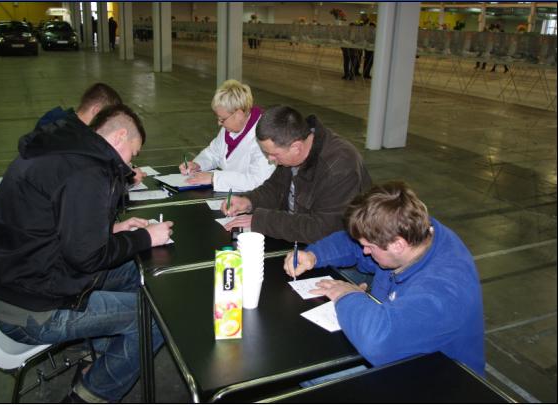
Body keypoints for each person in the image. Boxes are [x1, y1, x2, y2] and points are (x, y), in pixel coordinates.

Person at [0, 104, 174, 403]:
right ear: (120, 136)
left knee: (136, 274)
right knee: (156, 318)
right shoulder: (87, 171)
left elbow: (51, 225)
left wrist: (112, 229)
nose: (129, 163)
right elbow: (87, 258)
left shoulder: (62, 152)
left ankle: (98, 356)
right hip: (33, 309)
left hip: (15, 283)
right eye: (132, 154)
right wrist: (146, 237)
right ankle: (87, 395)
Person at [284, 181, 485, 376]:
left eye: (370, 247)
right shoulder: (410, 232)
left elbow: (379, 342)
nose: (364, 251)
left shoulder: (443, 290)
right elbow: (354, 244)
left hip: (435, 379)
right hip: (399, 345)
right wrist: (314, 255)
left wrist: (346, 295)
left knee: (308, 368)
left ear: (398, 245)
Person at [221, 105, 372, 244]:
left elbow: (323, 229)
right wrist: (248, 201)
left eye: (273, 154)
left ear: (296, 147)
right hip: (296, 241)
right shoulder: (291, 148)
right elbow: (274, 188)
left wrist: (262, 220)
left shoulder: (339, 167)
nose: (270, 159)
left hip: (338, 254)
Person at [35, 82, 147, 185]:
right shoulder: (67, 135)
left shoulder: (64, 123)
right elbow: (81, 180)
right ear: (96, 111)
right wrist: (126, 178)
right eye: (107, 117)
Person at [179, 79, 275, 192]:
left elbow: (257, 181)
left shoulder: (264, 137)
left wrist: (214, 178)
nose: (219, 123)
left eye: (222, 119)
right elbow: (213, 153)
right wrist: (198, 164)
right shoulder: (231, 127)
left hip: (254, 198)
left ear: (239, 114)